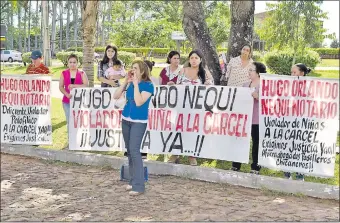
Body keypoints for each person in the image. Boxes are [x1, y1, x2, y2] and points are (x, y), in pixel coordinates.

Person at [113, 60, 154, 196]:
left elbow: (139, 101)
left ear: (142, 71)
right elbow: (116, 96)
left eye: (135, 68)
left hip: (139, 122)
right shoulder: (130, 84)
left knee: (135, 151)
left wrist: (136, 84)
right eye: (132, 68)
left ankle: (139, 185)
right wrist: (126, 82)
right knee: (129, 152)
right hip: (126, 120)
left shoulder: (148, 86)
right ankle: (132, 181)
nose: (132, 70)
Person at [168, 50, 213, 166]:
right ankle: (175, 153)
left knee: (193, 130)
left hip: (197, 109)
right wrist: (173, 85)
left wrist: (208, 84)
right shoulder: (183, 70)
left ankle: (191, 155)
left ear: (200, 60)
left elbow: (212, 89)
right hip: (182, 106)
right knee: (178, 129)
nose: (193, 60)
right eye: (191, 58)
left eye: (196, 58)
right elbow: (178, 85)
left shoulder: (205, 73)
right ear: (189, 59)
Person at [231, 62, 267, 174]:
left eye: (251, 70)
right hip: (245, 119)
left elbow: (270, 102)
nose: (249, 72)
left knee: (256, 143)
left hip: (258, 119)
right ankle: (236, 165)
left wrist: (259, 97)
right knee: (240, 141)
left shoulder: (265, 85)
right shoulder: (245, 85)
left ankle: (255, 167)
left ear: (258, 72)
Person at [283, 63, 311, 181]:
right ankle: (287, 173)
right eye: (291, 72)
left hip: (303, 122)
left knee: (301, 147)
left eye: (294, 72)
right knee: (288, 146)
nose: (292, 75)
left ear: (302, 73)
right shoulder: (287, 86)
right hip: (289, 120)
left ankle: (300, 175)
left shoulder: (310, 86)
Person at [59, 54, 89, 150]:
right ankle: (71, 142)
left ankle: (78, 141)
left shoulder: (82, 73)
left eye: (74, 62)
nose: (72, 64)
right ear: (67, 63)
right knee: (70, 121)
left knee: (77, 122)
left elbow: (86, 85)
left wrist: (75, 85)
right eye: (70, 62)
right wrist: (66, 94)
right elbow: (60, 86)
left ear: (78, 63)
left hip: (79, 102)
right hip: (67, 102)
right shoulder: (64, 73)